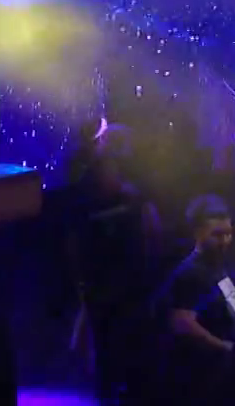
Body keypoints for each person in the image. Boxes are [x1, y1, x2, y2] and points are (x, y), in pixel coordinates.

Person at [65, 123, 161, 406]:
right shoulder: (85, 198)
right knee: (107, 359)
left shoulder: (134, 194)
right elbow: (75, 244)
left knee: (131, 359)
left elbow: (151, 229)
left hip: (131, 290)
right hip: (105, 292)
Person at [158, 195, 235, 400]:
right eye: (217, 235)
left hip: (220, 373)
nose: (225, 241)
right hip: (200, 379)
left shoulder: (217, 265)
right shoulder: (191, 273)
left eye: (228, 234)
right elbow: (182, 323)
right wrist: (224, 346)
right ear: (198, 232)